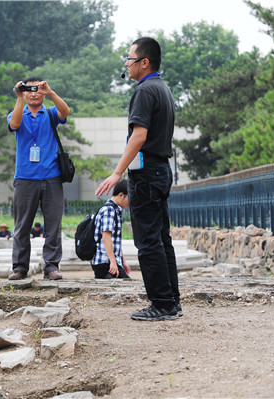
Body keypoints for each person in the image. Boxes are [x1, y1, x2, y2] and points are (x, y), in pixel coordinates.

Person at [95, 37, 181, 321]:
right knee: (161, 239)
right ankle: (171, 301)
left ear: (144, 62)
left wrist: (118, 172)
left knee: (148, 241)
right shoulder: (163, 89)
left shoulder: (145, 91)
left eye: (130, 59)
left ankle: (162, 304)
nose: (127, 64)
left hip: (145, 175)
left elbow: (139, 136)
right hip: (160, 170)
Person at [7, 77, 70, 281]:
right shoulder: (18, 112)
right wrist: (18, 97)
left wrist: (50, 92)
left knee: (53, 224)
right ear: (24, 93)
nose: (34, 93)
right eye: (29, 90)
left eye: (37, 90)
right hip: (25, 177)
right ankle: (19, 267)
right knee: (22, 225)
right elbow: (14, 124)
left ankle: (51, 266)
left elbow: (65, 111)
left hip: (52, 176)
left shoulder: (50, 113)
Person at [92, 180, 131, 279]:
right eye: (130, 198)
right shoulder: (109, 210)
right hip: (105, 261)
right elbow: (106, 238)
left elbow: (115, 241)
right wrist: (113, 262)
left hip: (110, 261)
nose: (131, 202)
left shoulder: (115, 210)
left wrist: (123, 261)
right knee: (126, 287)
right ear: (121, 195)